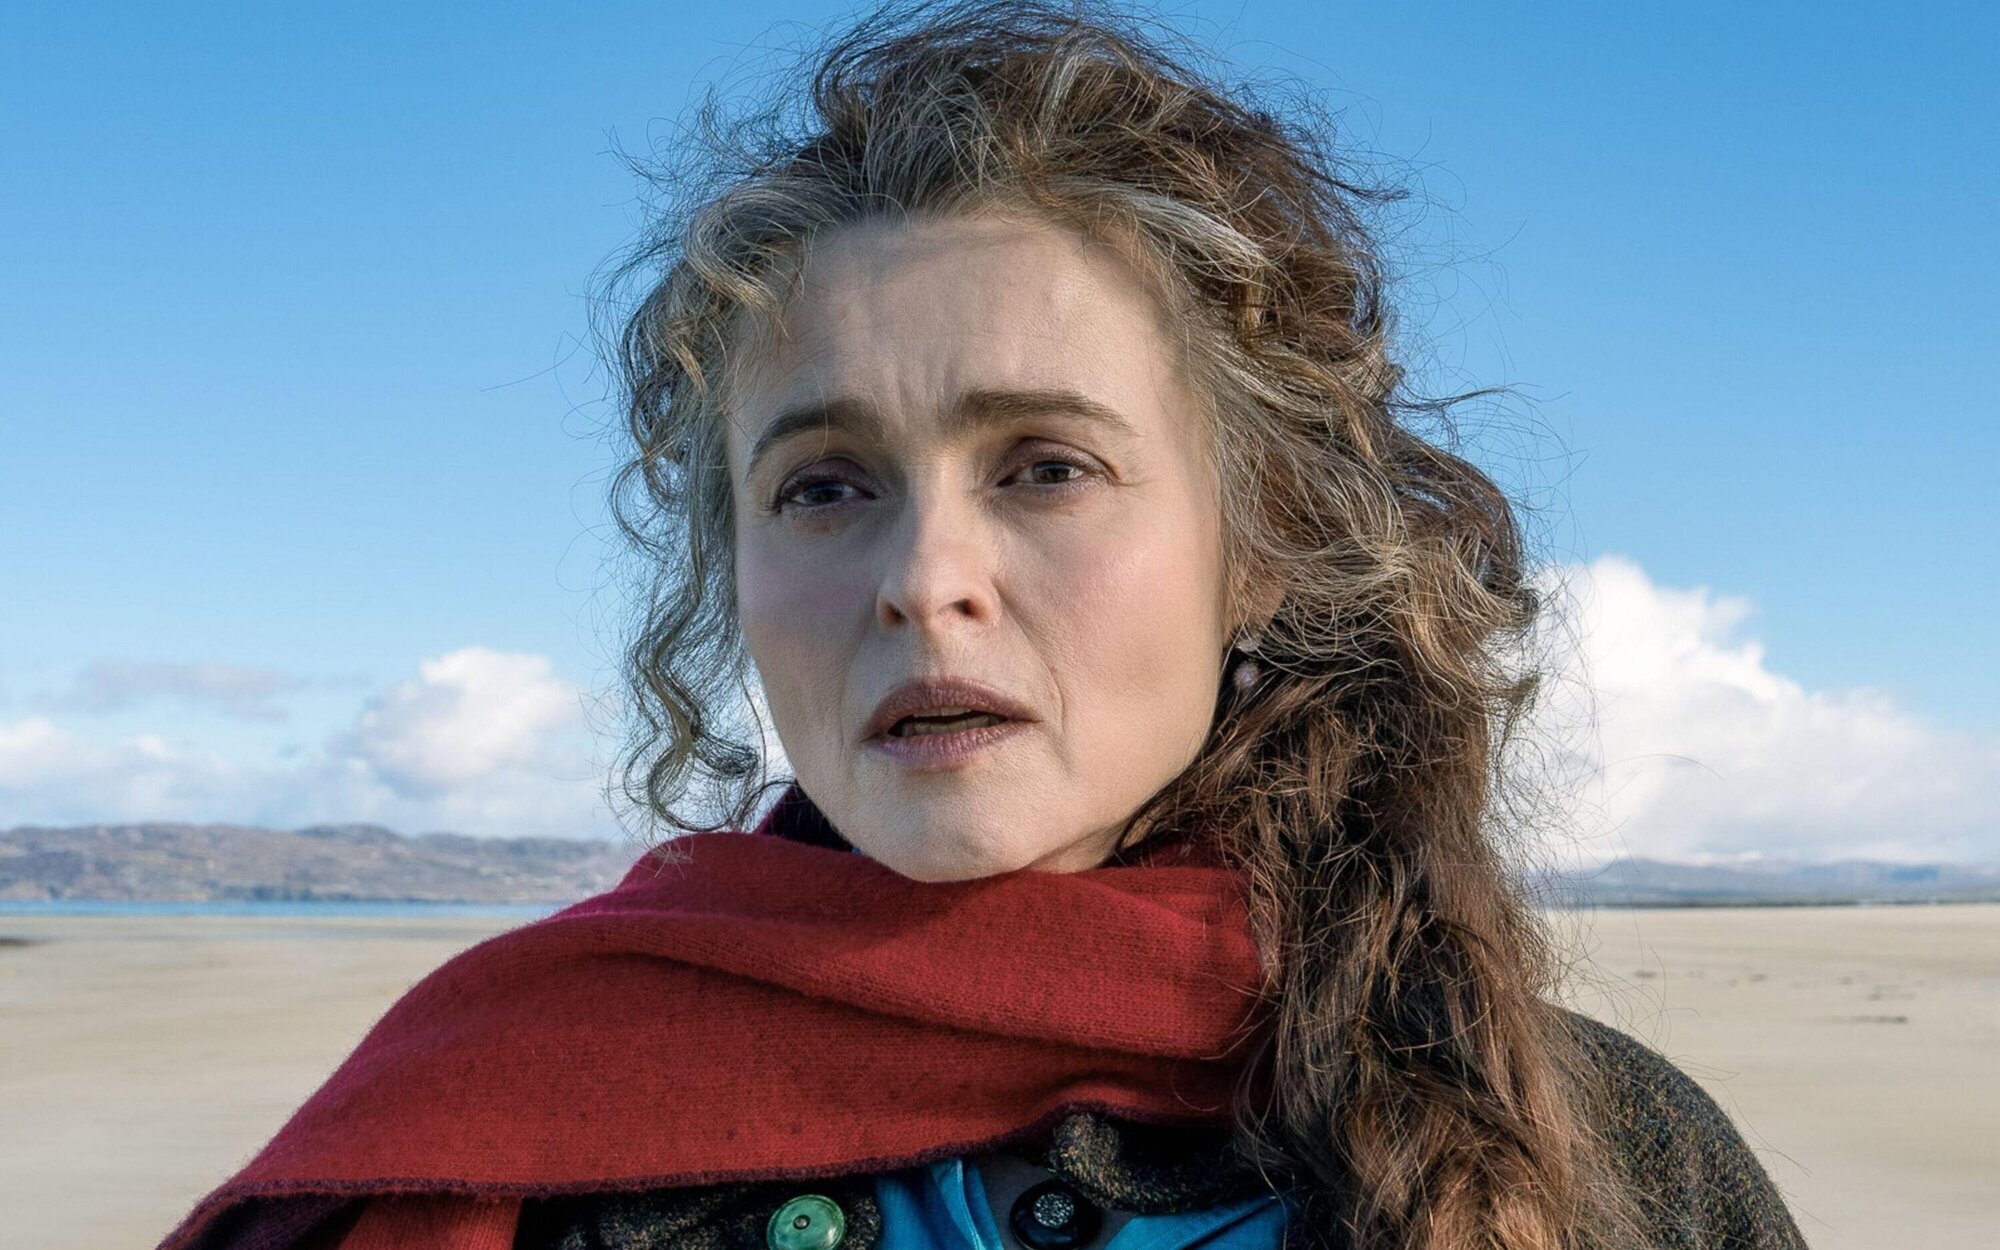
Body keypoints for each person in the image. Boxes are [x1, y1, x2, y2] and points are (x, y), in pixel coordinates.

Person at [158, 3, 1810, 1249]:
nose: (925, 575)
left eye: (1046, 466)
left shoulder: (1602, 1154)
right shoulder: (501, 1116)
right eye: (823, 486)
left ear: (1259, 549)